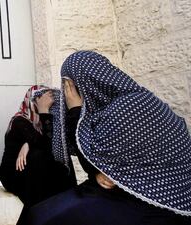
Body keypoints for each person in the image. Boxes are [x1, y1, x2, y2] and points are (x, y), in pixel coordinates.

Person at [29, 51, 191, 225]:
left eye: (70, 86)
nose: (67, 93)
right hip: (163, 193)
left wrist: (76, 110)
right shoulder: (141, 98)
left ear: (85, 82)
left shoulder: (122, 109)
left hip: (152, 200)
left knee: (41, 217)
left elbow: (92, 166)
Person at [0, 85, 76, 225]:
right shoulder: (19, 121)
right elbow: (44, 145)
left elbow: (50, 145)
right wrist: (44, 111)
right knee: (39, 155)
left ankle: (72, 203)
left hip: (35, 171)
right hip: (14, 174)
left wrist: (29, 143)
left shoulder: (42, 125)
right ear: (32, 102)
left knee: (62, 163)